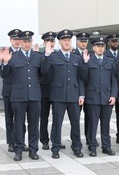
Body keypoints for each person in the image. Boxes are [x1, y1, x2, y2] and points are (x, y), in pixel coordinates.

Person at [0, 30, 43, 161]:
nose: (27, 43)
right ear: (21, 42)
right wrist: (5, 62)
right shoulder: (13, 56)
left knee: (34, 125)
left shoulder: (38, 56)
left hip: (34, 96)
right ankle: (18, 150)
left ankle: (33, 150)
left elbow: (43, 74)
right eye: (24, 41)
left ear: (31, 42)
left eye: (29, 41)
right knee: (18, 125)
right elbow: (4, 75)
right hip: (18, 97)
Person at [41, 29, 84, 158]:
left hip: (74, 95)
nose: (66, 42)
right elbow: (44, 71)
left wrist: (81, 95)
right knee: (57, 123)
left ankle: (76, 147)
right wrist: (47, 55)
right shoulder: (53, 56)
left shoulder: (77, 57)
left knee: (75, 123)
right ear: (59, 42)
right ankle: (55, 148)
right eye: (64, 40)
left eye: (68, 40)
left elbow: (80, 78)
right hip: (58, 96)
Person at [80, 36, 118, 157]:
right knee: (92, 124)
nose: (101, 49)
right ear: (93, 47)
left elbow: (114, 80)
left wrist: (113, 95)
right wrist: (85, 63)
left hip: (107, 97)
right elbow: (83, 78)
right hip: (93, 97)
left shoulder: (110, 61)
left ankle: (106, 146)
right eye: (98, 46)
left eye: (102, 46)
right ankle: (92, 147)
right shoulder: (88, 60)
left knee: (105, 124)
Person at [0, 29, 28, 153]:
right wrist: (0, 60)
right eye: (14, 39)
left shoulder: (25, 53)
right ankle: (11, 142)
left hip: (21, 92)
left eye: (18, 39)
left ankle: (21, 142)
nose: (17, 41)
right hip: (9, 91)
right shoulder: (6, 52)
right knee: (10, 118)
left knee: (21, 118)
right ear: (10, 40)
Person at [73, 32, 91, 145]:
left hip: (89, 90)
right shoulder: (72, 54)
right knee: (75, 117)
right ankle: (76, 140)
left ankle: (89, 138)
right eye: (81, 41)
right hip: (75, 90)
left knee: (89, 116)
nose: (83, 43)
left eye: (85, 41)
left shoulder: (91, 54)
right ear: (77, 42)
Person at [105, 34, 119, 144]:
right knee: (106, 116)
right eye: (113, 41)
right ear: (108, 43)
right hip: (109, 90)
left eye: (117, 41)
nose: (115, 43)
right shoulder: (105, 55)